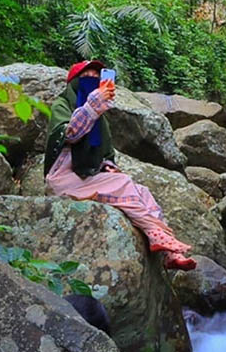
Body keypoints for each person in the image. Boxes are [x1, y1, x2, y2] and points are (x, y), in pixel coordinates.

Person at [44, 60, 197, 270]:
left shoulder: (101, 120)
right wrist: (92, 106)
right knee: (123, 183)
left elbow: (105, 154)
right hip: (65, 178)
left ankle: (170, 252)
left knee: (143, 192)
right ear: (74, 83)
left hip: (87, 177)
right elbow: (70, 134)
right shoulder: (63, 105)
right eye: (86, 77)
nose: (91, 81)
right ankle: (155, 233)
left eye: (96, 78)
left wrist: (108, 166)